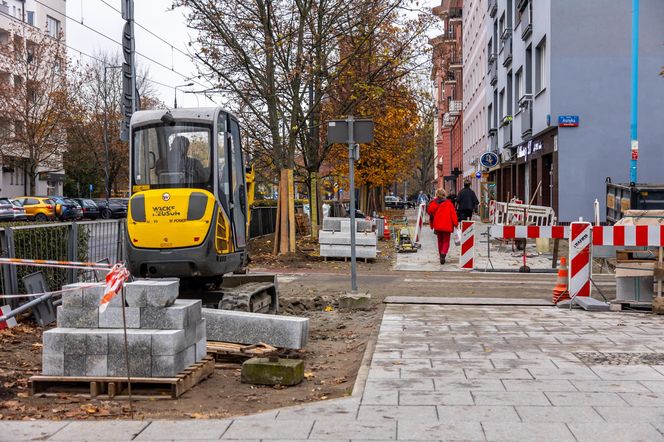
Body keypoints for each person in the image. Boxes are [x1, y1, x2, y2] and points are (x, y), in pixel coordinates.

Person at [427, 188, 458, 265]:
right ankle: (443, 253)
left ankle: (441, 254)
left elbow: (429, 211)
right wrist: (456, 224)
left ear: (437, 194)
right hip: (447, 225)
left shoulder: (434, 203)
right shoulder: (449, 203)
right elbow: (453, 214)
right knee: (446, 241)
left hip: (437, 225)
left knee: (439, 240)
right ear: (444, 194)